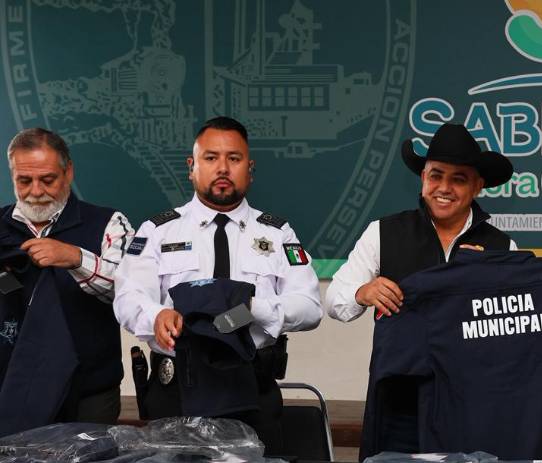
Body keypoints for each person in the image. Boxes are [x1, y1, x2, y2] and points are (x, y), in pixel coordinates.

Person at [113, 116, 322, 441]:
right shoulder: (158, 231)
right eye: (211, 158)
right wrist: (157, 315)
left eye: (234, 159)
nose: (222, 168)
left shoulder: (277, 233)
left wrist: (252, 308)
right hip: (176, 392)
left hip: (252, 388)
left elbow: (309, 307)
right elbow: (127, 296)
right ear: (191, 166)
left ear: (250, 168)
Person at [0, 127, 133, 431]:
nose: (36, 191)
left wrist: (76, 258)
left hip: (89, 394)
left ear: (68, 172)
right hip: (10, 391)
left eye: (48, 180)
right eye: (24, 181)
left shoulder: (109, 223)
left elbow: (131, 292)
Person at [324, 122, 516, 322]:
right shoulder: (382, 232)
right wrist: (362, 292)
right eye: (436, 176)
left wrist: (491, 281)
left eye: (458, 179)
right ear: (424, 178)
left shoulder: (503, 246)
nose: (444, 188)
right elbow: (332, 300)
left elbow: (517, 319)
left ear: (477, 186)